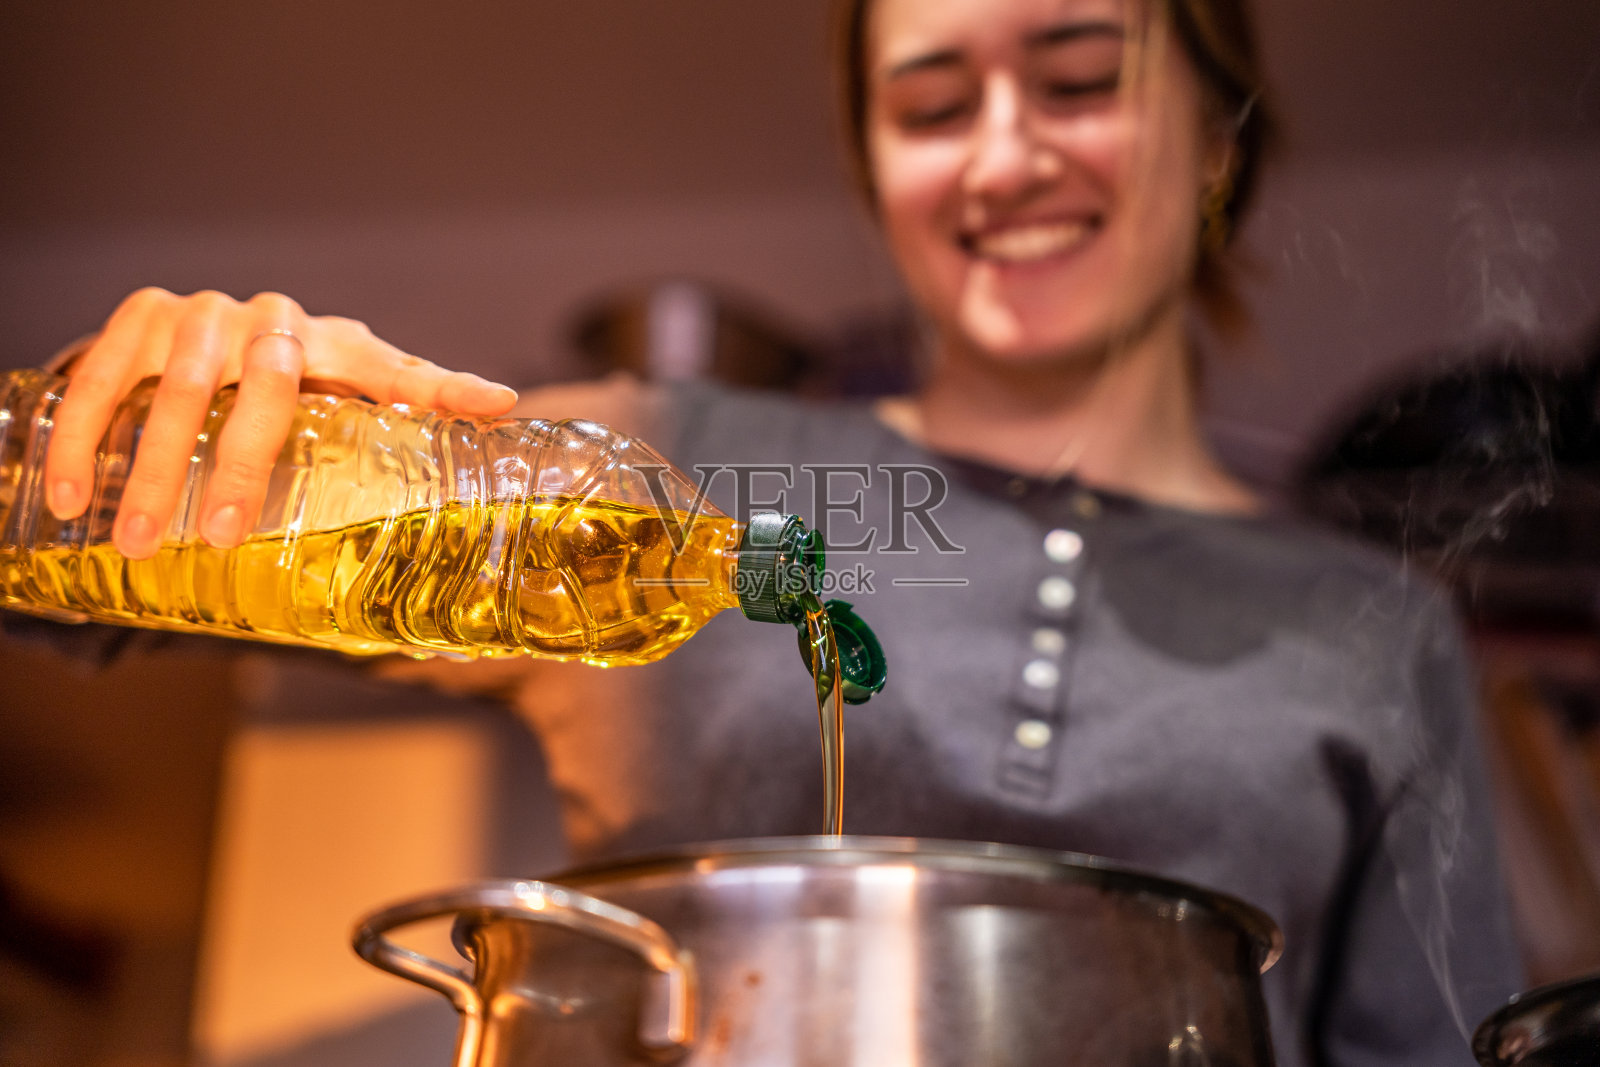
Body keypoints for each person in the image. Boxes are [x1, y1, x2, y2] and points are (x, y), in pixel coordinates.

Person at [26, 0, 1522, 1062]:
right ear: (879, 173)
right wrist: (163, 422)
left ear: (1218, 129)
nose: (1001, 158)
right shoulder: (668, 457)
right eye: (932, 105)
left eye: (1077, 80)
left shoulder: (1372, 630)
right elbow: (102, 584)